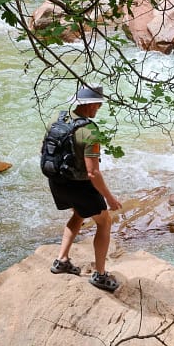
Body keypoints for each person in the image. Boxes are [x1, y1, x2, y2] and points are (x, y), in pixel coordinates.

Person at [46, 85, 122, 291]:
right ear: (88, 105)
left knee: (79, 214)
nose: (98, 108)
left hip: (57, 181)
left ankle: (61, 260)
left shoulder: (60, 121)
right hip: (79, 186)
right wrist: (110, 198)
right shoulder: (90, 132)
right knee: (104, 222)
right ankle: (100, 275)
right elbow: (92, 173)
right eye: (97, 104)